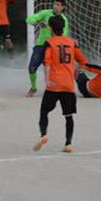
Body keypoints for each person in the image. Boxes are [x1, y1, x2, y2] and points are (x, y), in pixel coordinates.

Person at [34, 15, 85, 154]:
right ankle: (68, 143)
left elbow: (47, 62)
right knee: (69, 116)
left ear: (50, 28)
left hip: (54, 84)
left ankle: (44, 134)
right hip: (68, 85)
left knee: (44, 111)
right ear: (63, 28)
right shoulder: (71, 42)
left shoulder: (50, 42)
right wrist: (76, 72)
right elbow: (82, 61)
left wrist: (47, 78)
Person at [24, 0, 68, 97]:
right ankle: (33, 87)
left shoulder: (64, 19)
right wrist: (38, 23)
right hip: (41, 45)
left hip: (53, 47)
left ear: (63, 7)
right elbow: (29, 19)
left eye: (58, 5)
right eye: (54, 4)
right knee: (32, 68)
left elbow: (63, 35)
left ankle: (55, 88)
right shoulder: (45, 13)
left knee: (54, 71)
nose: (55, 6)